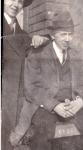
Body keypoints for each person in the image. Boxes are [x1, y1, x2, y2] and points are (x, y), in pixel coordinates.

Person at [9, 10, 83, 150]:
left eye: (70, 34)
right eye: (63, 34)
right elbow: (31, 89)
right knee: (43, 130)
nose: (67, 39)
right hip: (44, 107)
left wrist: (80, 102)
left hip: (73, 106)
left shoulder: (76, 54)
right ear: (53, 35)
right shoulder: (37, 54)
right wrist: (54, 105)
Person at [2, 0, 49, 150]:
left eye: (20, 1)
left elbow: (34, 46)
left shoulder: (21, 33)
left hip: (15, 98)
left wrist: (43, 38)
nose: (15, 4)